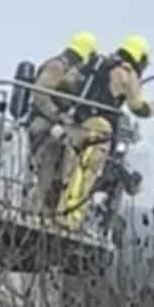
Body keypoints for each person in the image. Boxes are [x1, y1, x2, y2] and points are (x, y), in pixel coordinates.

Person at [56, 34, 154, 226]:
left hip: (76, 123)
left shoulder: (98, 62)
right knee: (87, 173)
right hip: (100, 128)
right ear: (139, 57)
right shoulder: (127, 72)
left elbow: (66, 84)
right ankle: (71, 220)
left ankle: (59, 214)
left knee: (69, 172)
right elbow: (137, 107)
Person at [27, 31, 99, 209]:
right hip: (43, 120)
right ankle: (38, 203)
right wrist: (58, 115)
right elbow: (40, 94)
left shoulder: (71, 71)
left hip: (59, 121)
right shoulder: (56, 67)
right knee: (54, 145)